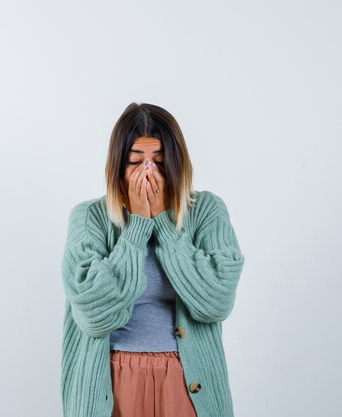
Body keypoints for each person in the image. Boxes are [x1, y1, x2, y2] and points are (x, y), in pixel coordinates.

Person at [60, 103, 245, 417]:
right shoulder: (89, 218)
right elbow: (92, 313)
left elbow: (216, 300)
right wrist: (137, 229)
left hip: (187, 379)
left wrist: (162, 222)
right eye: (135, 162)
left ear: (177, 165)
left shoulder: (207, 211)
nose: (148, 172)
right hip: (114, 379)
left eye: (159, 162)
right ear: (117, 168)